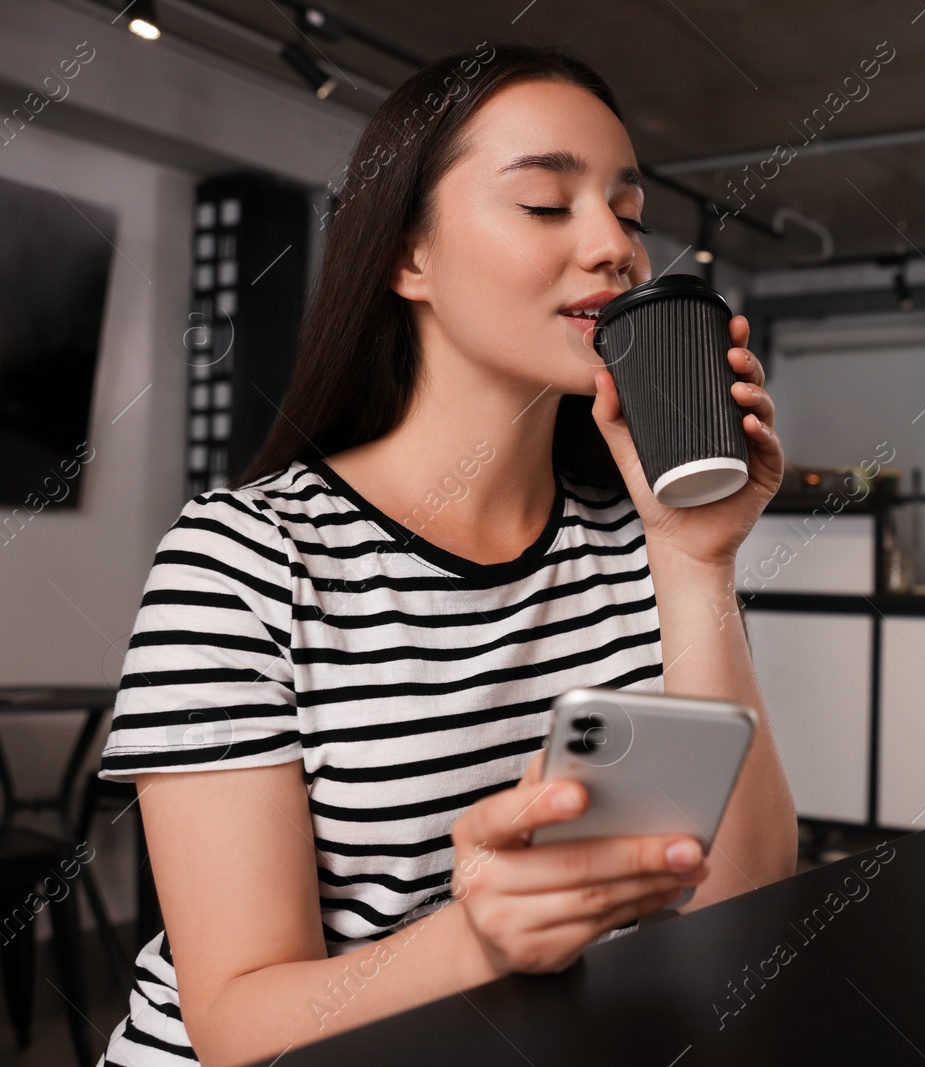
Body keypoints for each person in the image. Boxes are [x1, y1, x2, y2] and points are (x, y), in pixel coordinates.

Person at [95, 41, 795, 1067]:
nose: (616, 247)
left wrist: (696, 563)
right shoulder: (241, 558)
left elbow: (735, 902)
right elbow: (237, 1022)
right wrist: (477, 938)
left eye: (630, 213)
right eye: (548, 205)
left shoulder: (641, 546)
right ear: (406, 257)